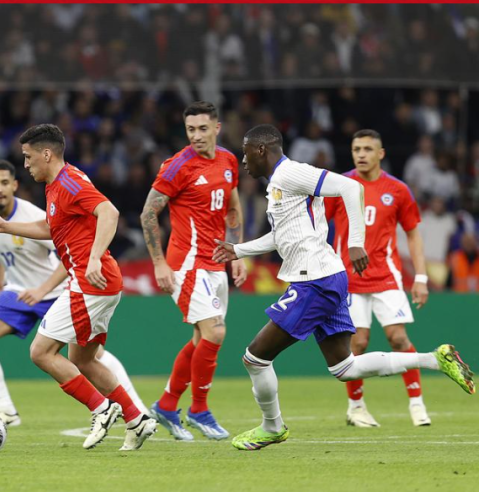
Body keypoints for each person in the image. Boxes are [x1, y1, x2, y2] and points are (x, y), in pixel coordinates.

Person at [212, 125, 474, 451]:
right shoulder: (279, 185)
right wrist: (239, 250)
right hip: (327, 277)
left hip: (315, 281)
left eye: (246, 151)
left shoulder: (293, 173)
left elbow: (350, 187)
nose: (243, 159)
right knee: (345, 367)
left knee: (254, 358)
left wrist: (355, 243)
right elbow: (282, 237)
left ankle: (272, 427)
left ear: (261, 150)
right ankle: (436, 360)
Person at [0, 124, 157, 451]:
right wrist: (6, 225)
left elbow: (109, 212)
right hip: (98, 281)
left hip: (91, 281)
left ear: (47, 154)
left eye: (29, 157)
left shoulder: (70, 182)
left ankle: (102, 409)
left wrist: (93, 258)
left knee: (40, 352)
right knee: (84, 359)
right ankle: (137, 419)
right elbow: (49, 227)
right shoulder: (55, 185)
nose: (27, 164)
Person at [140, 101, 246, 441]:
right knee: (215, 332)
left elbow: (232, 205)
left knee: (202, 338)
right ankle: (199, 409)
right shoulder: (177, 166)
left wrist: (239, 252)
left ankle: (167, 405)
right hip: (185, 263)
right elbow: (147, 214)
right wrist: (159, 263)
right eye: (190, 130)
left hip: (216, 263)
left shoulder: (229, 160)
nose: (196, 136)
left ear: (217, 127)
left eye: (202, 128)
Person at [324, 129, 432, 427]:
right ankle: (356, 407)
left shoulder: (397, 190)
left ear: (380, 154)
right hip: (348, 279)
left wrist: (420, 277)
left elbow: (412, 235)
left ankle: (417, 403)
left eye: (367, 149)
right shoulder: (340, 185)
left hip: (386, 276)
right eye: (356, 148)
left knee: (398, 338)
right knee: (357, 344)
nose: (361, 154)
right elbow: (319, 223)